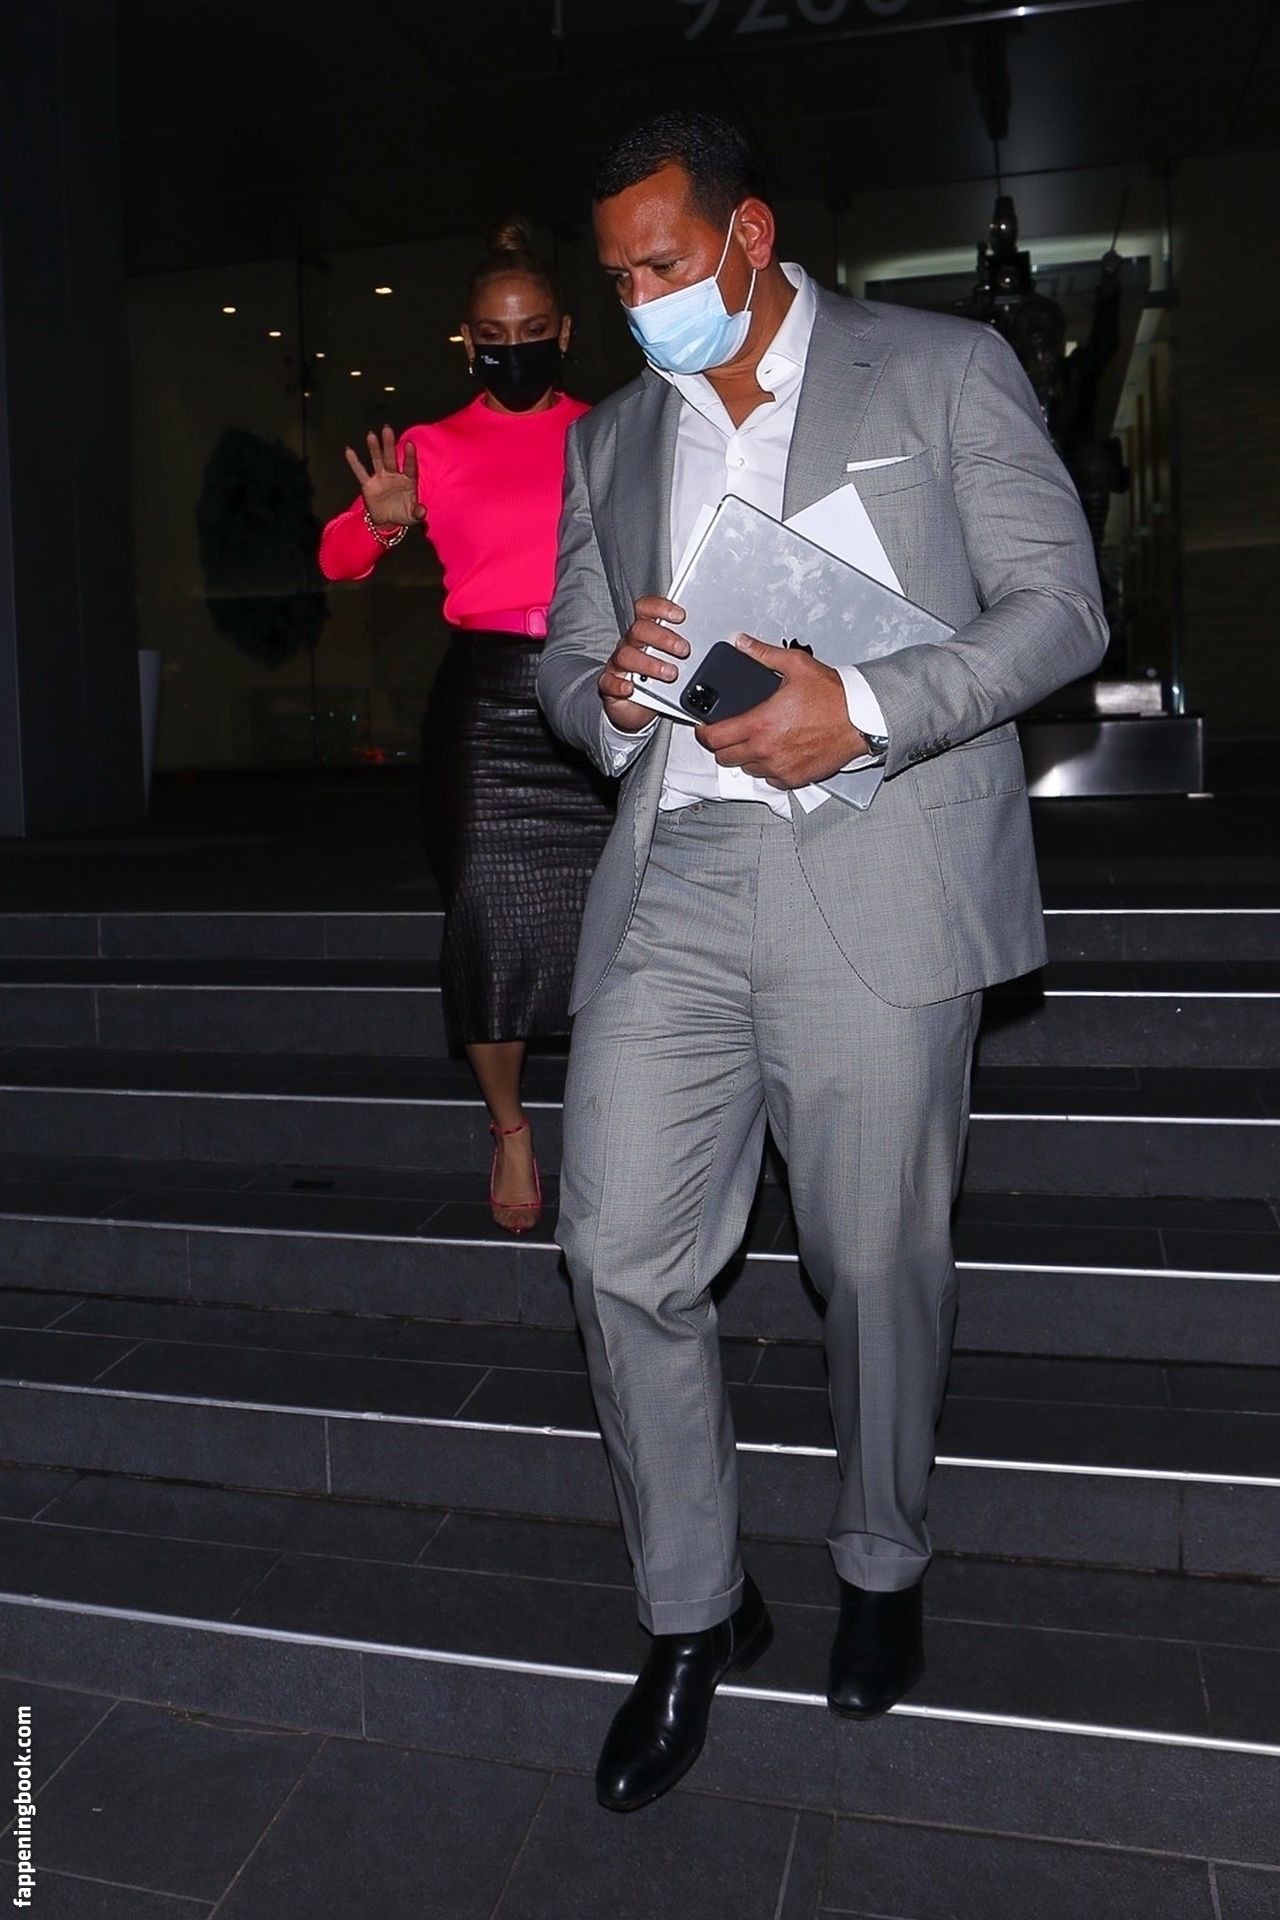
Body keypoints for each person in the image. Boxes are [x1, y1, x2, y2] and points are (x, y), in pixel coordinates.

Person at [537, 112, 1106, 1813]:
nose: (641, 298)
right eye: (618, 276)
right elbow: (566, 659)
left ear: (750, 234)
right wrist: (611, 692)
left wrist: (857, 704)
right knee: (617, 1249)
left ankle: (880, 1562)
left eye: (663, 262)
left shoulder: (940, 371)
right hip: (678, 877)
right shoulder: (610, 438)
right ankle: (694, 1610)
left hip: (878, 860)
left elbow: (1060, 606)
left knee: (874, 1261)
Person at [319, 219, 613, 1234]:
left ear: (564, 331)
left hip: (597, 684)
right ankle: (509, 1127)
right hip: (486, 702)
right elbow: (338, 561)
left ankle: (622, 1120)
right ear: (467, 341)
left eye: (531, 331)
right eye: (492, 335)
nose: (512, 348)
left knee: (620, 917)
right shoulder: (430, 447)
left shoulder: (613, 430)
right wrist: (383, 517)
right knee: (486, 919)